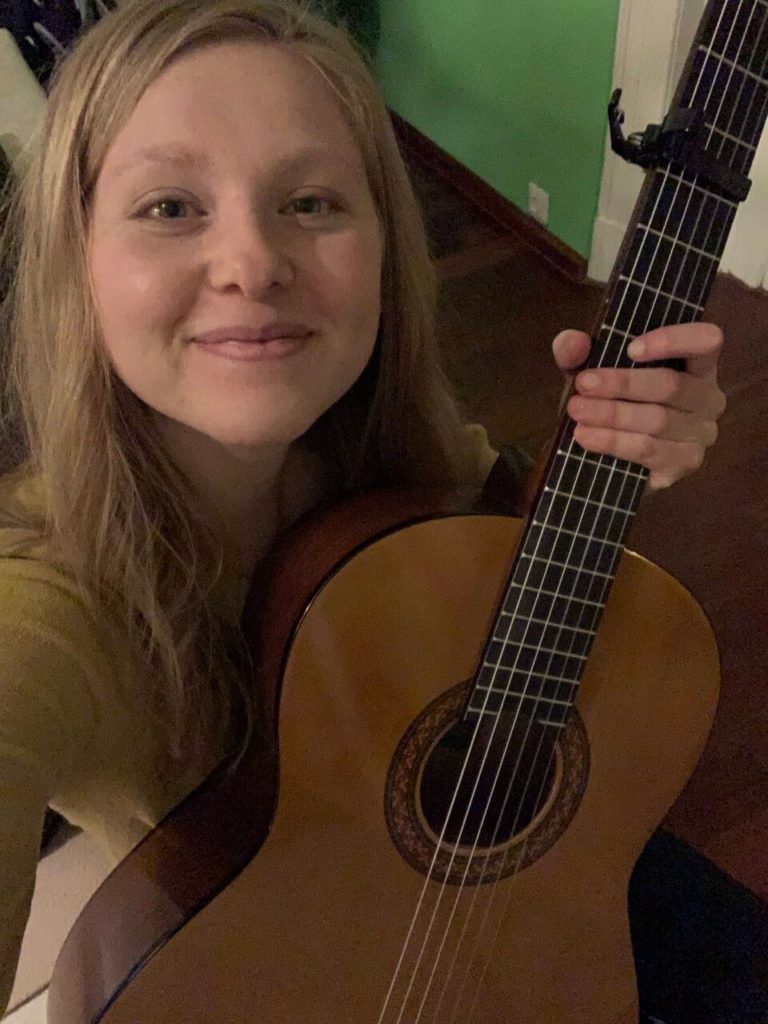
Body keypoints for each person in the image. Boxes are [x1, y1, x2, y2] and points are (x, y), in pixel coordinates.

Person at [0, 0, 728, 1017]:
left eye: (312, 203)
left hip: (490, 893)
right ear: (75, 257)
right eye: (170, 206)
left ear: (386, 249)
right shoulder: (39, 610)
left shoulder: (403, 459)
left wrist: (604, 468)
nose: (252, 262)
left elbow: (516, 607)